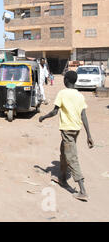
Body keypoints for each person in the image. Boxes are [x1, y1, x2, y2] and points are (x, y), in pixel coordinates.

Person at [39, 71, 94, 202]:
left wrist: (43, 117)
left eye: (64, 78)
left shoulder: (62, 93)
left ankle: (82, 191)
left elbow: (54, 111)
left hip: (67, 130)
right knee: (63, 152)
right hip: (76, 130)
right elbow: (83, 116)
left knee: (72, 158)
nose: (63, 79)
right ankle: (63, 178)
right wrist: (89, 135)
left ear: (67, 80)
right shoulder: (79, 95)